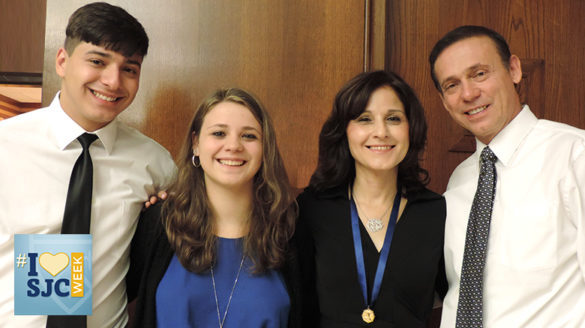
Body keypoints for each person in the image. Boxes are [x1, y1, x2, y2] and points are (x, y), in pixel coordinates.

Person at [0, 3, 176, 327]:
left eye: (130, 69)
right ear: (63, 61)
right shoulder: (5, 145)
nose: (112, 81)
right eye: (97, 61)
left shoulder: (155, 164)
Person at [429, 25, 585, 327]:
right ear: (443, 100)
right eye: (451, 85)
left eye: (479, 74)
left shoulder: (575, 156)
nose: (469, 93)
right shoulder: (459, 181)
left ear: (514, 70)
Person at [126, 88, 300, 328]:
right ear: (196, 144)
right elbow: (104, 294)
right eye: (219, 133)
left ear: (265, 148)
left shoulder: (291, 229)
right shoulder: (160, 222)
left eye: (249, 136)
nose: (233, 145)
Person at [296, 70, 447, 327]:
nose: (381, 132)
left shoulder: (437, 211)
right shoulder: (312, 208)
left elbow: (459, 301)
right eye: (365, 119)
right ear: (345, 131)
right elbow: (299, 310)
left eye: (393, 118)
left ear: (412, 128)